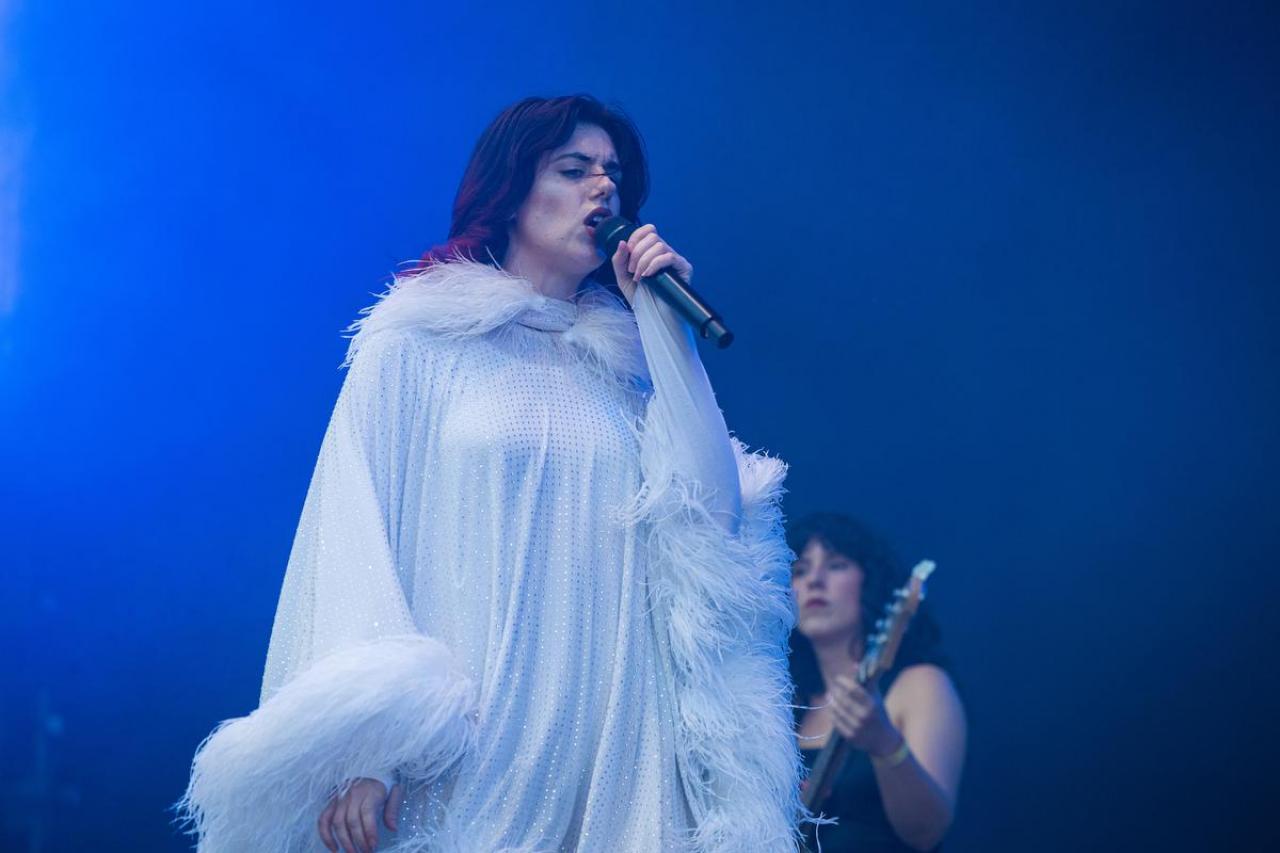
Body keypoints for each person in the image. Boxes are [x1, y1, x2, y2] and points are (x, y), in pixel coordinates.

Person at [178, 95, 802, 852]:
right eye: (573, 169)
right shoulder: (419, 343)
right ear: (510, 191)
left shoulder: (628, 369)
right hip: (477, 741)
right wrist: (367, 743)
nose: (603, 188)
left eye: (613, 174)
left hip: (615, 733)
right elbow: (355, 532)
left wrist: (666, 329)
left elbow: (710, 521)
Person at [788, 513, 966, 852]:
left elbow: (926, 831)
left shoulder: (920, 685)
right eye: (800, 570)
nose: (814, 580)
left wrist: (884, 743)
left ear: (870, 583)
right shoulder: (787, 706)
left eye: (836, 565)